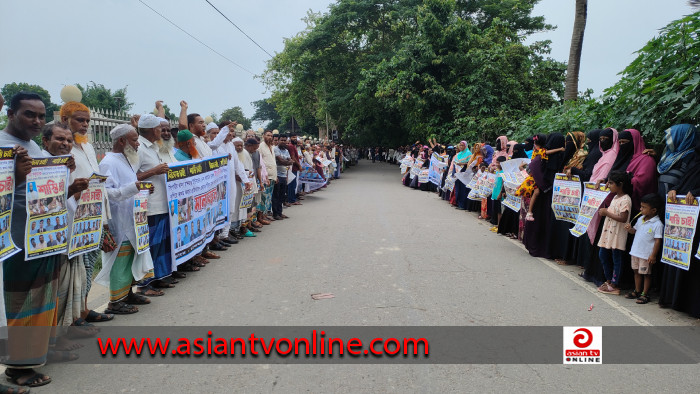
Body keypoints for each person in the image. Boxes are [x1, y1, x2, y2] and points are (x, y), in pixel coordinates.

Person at [1, 92, 59, 388]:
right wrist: (18, 179)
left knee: (40, 299)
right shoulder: (2, 145)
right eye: (29, 114)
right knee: (19, 303)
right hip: (13, 243)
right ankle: (17, 366)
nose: (37, 121)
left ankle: (35, 355)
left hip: (41, 238)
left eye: (41, 115)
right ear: (11, 113)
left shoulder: (34, 146)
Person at [61, 100, 114, 324]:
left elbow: (98, 184)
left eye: (87, 121)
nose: (84, 125)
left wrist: (105, 221)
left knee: (90, 263)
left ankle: (83, 309)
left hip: (95, 215)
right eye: (79, 120)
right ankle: (74, 315)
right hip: (75, 219)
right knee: (78, 270)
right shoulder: (63, 148)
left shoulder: (88, 147)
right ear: (65, 120)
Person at [96, 124, 154, 315]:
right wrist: (134, 188)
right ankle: (115, 302)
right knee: (119, 263)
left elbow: (131, 185)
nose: (138, 144)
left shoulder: (127, 159)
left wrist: (143, 188)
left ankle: (127, 294)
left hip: (132, 220)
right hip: (119, 221)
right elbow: (107, 193)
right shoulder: (108, 162)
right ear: (122, 141)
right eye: (135, 140)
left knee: (130, 259)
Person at [136, 113, 176, 293]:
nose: (163, 131)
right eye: (160, 128)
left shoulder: (154, 147)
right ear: (153, 130)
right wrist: (154, 171)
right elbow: (132, 177)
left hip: (162, 202)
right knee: (150, 245)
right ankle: (145, 284)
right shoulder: (139, 148)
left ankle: (160, 276)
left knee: (162, 244)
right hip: (149, 205)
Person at [597, 171, 633, 295]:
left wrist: (607, 213)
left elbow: (623, 218)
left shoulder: (626, 199)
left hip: (618, 234)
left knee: (616, 258)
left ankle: (614, 284)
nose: (608, 185)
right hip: (609, 232)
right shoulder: (615, 197)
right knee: (603, 254)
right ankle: (609, 280)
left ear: (620, 184)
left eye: (611, 183)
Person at [624, 193, 664, 304]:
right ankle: (637, 291)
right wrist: (629, 229)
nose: (641, 209)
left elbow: (657, 241)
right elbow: (634, 231)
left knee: (646, 274)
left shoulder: (657, 224)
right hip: (636, 252)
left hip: (646, 255)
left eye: (644, 207)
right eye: (641, 206)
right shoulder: (641, 219)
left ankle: (645, 294)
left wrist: (653, 255)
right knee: (636, 272)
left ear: (654, 210)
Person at [272, 135, 294, 220]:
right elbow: (280, 161)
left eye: (285, 140)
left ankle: (280, 212)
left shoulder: (286, 150)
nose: (284, 142)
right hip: (277, 175)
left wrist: (286, 162)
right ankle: (275, 214)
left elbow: (291, 160)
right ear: (278, 141)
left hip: (284, 175)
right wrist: (286, 162)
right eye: (282, 140)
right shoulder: (275, 149)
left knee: (282, 195)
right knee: (276, 196)